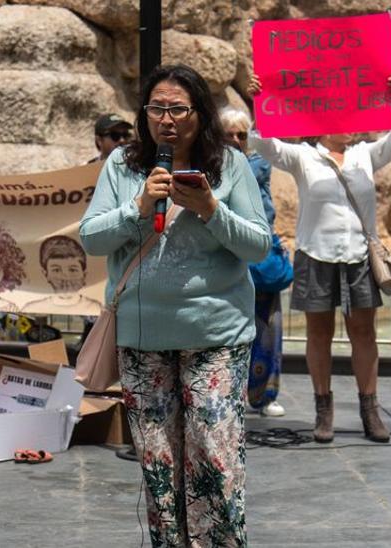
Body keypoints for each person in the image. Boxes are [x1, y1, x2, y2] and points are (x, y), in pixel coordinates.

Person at [80, 64, 268, 545]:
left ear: (198, 114)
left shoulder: (229, 165)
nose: (166, 119)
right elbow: (90, 238)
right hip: (144, 338)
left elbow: (258, 246)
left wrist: (210, 209)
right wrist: (138, 208)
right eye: (156, 109)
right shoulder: (122, 165)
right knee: (159, 467)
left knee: (212, 457)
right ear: (144, 115)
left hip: (216, 336)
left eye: (177, 109)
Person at [247, 71, 391, 443]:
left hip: (358, 255)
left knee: (363, 332)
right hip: (316, 254)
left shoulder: (365, 155)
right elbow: (265, 146)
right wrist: (261, 104)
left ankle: (370, 410)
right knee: (318, 333)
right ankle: (324, 410)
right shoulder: (304, 156)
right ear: (324, 121)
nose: (352, 123)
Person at [220, 106, 287, 418]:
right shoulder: (213, 165)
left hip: (258, 255)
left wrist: (261, 97)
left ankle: (264, 394)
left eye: (241, 134)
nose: (235, 139)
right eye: (229, 134)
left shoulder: (257, 163)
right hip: (226, 255)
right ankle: (229, 392)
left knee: (267, 327)